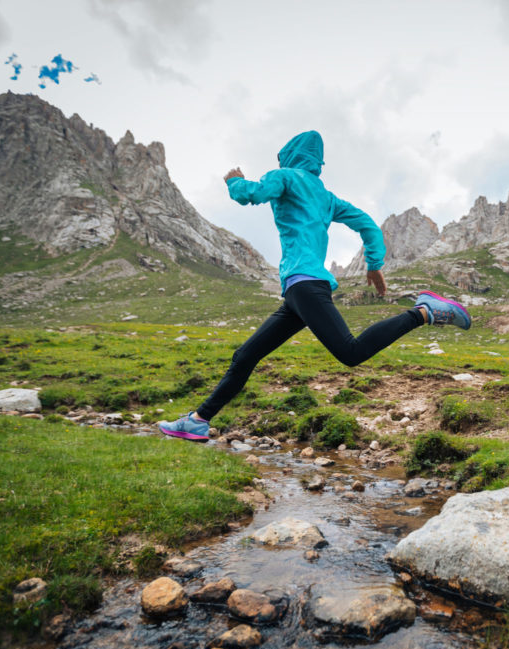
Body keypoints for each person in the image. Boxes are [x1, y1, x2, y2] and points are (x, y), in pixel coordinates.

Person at [159, 130, 470, 442]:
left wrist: (234, 180)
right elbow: (369, 227)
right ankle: (198, 420)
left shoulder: (285, 176)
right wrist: (374, 265)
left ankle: (424, 312)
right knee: (245, 356)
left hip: (306, 288)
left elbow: (249, 194)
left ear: (289, 154)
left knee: (351, 352)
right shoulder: (327, 197)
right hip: (298, 293)